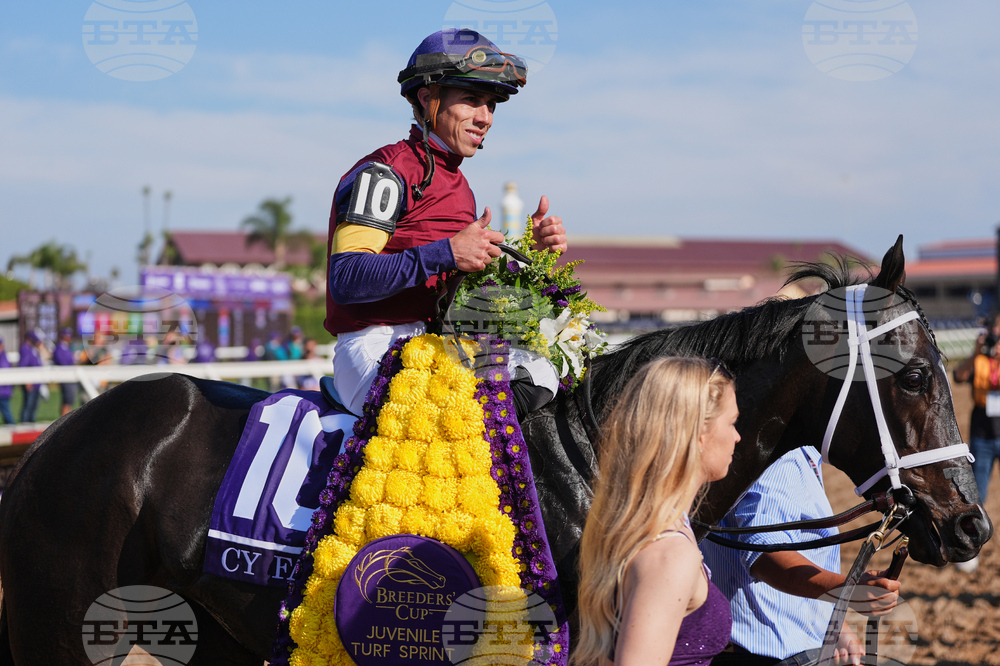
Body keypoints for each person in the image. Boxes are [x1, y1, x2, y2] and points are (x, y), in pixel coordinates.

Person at [324, 28, 567, 416]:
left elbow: (457, 282)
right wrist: (446, 252)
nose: (485, 117)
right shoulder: (385, 171)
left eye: (491, 104)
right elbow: (347, 278)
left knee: (545, 378)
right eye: (472, 100)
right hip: (373, 347)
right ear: (427, 99)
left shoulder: (460, 186)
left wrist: (527, 254)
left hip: (437, 344)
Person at [573, 357, 739, 666]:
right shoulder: (670, 553)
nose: (737, 437)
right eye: (731, 423)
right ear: (698, 434)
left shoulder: (645, 527)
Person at [700, 447, 901, 666]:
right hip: (772, 657)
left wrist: (836, 628)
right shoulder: (783, 458)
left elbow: (790, 553)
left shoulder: (798, 457)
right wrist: (849, 590)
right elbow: (765, 555)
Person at [952, 314, 1000, 573]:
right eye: (994, 330)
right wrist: (976, 352)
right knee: (975, 497)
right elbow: (959, 376)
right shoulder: (980, 358)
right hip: (981, 437)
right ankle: (971, 550)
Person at [18, 330, 43, 423]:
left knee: (34, 406)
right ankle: (24, 425)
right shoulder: (25, 349)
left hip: (36, 382)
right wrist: (27, 381)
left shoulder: (33, 349)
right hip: (30, 382)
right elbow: (23, 365)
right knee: (28, 405)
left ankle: (31, 426)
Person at [52, 327, 78, 416]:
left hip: (70, 376)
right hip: (65, 376)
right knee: (67, 399)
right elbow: (61, 361)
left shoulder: (67, 347)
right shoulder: (59, 348)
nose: (70, 337)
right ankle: (64, 418)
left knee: (70, 399)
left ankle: (67, 417)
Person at [0, 336, 13, 424]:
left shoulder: (3, 358)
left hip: (2, 391)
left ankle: (13, 428)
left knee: (6, 413)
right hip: (3, 390)